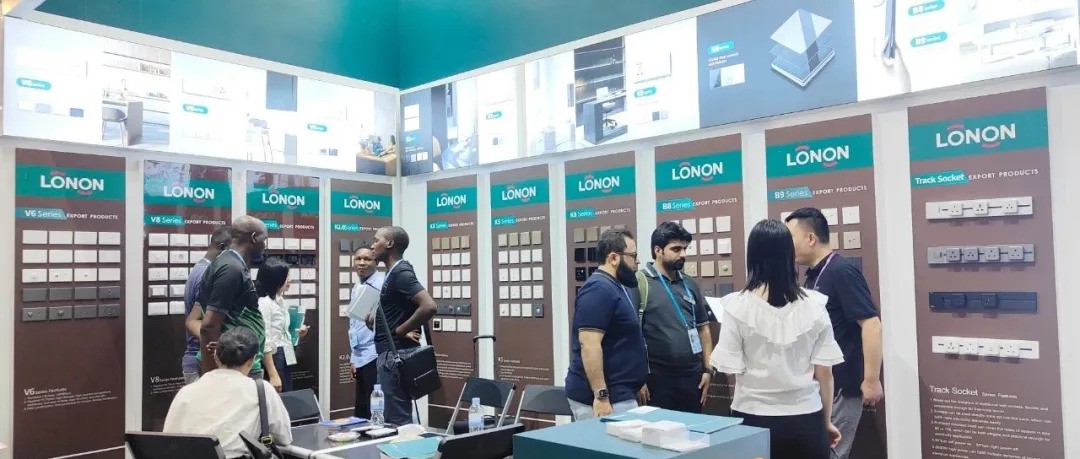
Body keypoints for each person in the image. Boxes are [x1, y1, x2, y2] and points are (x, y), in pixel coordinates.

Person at [711, 219, 844, 459]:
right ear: (789, 254)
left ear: (752, 256)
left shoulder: (736, 307)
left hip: (752, 417)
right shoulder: (814, 306)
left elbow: (732, 372)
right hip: (806, 419)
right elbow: (825, 374)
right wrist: (826, 422)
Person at [785, 208, 884, 459]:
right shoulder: (814, 276)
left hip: (843, 385)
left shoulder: (841, 271)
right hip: (822, 384)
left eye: (790, 238)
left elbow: (871, 325)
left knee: (833, 454)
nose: (787, 246)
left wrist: (871, 380)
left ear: (810, 238)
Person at [164, 327, 292, 458]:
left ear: (215, 355)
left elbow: (167, 442)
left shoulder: (186, 392)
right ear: (252, 360)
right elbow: (284, 437)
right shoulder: (261, 390)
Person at [565, 227, 648, 420]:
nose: (637, 262)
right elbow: (589, 344)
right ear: (614, 258)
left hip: (620, 391)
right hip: (605, 397)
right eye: (633, 256)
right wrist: (601, 395)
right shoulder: (599, 289)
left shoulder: (615, 287)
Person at [635, 222, 713, 413]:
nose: (683, 254)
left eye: (685, 249)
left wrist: (708, 370)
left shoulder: (689, 283)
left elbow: (703, 328)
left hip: (692, 379)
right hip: (657, 380)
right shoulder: (640, 283)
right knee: (658, 431)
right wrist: (637, 379)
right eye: (676, 249)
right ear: (658, 250)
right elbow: (630, 335)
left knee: (692, 431)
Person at [368, 226, 437, 426]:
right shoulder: (392, 273)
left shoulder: (401, 272)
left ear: (390, 243)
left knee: (397, 420)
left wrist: (400, 330)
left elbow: (429, 306)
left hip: (396, 354)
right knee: (395, 416)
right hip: (389, 354)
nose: (372, 246)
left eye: (376, 240)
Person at [199, 216, 269, 378]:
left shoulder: (228, 263)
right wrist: (214, 376)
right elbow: (209, 326)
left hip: (240, 364)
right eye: (264, 239)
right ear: (254, 238)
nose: (265, 245)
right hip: (234, 367)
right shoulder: (231, 268)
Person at [182, 225, 232, 384]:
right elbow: (196, 321)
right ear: (223, 248)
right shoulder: (207, 273)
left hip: (198, 358)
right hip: (204, 360)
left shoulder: (200, 269)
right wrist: (223, 345)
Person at [257, 257, 307, 393]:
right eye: (286, 276)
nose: (290, 280)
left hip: (286, 352)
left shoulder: (280, 301)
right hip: (274, 356)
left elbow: (282, 332)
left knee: (287, 394)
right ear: (276, 279)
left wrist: (297, 333)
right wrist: (272, 373)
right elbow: (265, 339)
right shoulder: (265, 303)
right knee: (278, 396)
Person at [350, 247, 385, 418]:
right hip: (361, 355)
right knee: (362, 409)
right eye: (358, 259)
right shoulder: (358, 286)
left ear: (376, 262)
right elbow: (355, 324)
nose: (362, 263)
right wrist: (354, 357)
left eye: (367, 259)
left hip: (375, 354)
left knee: (375, 411)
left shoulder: (381, 285)